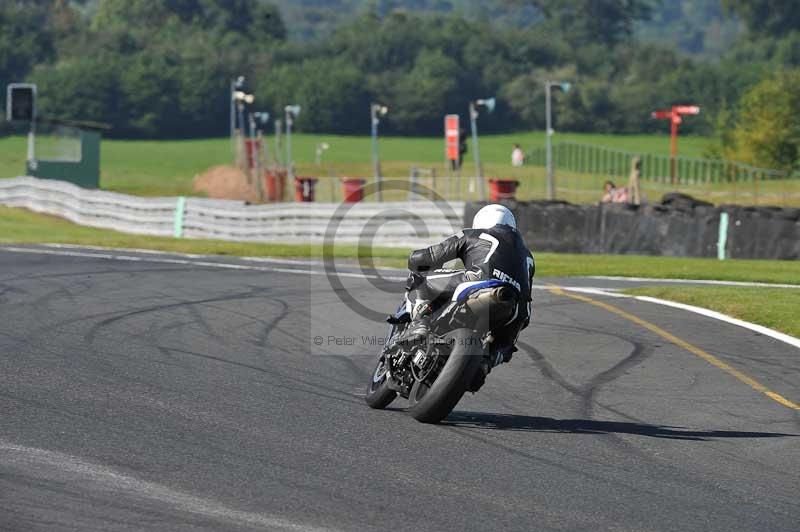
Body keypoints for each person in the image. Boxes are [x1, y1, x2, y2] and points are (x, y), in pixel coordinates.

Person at [399, 204, 535, 348]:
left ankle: (420, 325)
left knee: (420, 279)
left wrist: (413, 258)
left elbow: (430, 256)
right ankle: (486, 362)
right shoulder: (529, 257)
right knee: (502, 346)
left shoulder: (474, 234)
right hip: (517, 309)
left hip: (480, 281)